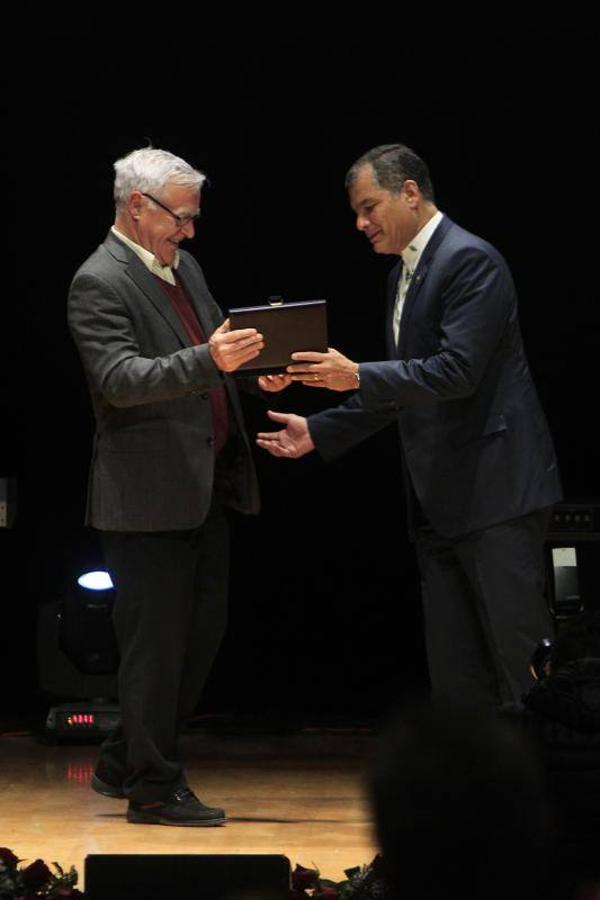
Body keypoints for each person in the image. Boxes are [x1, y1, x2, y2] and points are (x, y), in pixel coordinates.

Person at [257, 143, 562, 707]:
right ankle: (472, 791)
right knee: (457, 675)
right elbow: (406, 390)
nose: (360, 223)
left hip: (495, 496)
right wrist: (320, 429)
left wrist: (355, 375)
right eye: (356, 211)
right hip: (440, 504)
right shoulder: (404, 273)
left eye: (370, 207)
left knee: (520, 664)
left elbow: (457, 373)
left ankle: (544, 790)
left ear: (411, 193)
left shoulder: (469, 260)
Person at [68, 147, 289, 826]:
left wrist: (257, 373)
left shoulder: (182, 267)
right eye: (181, 218)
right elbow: (119, 379)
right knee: (155, 652)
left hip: (205, 490)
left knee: (199, 640)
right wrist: (208, 359)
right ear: (137, 206)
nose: (190, 232)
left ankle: (118, 758)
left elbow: (218, 355)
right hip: (146, 500)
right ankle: (153, 788)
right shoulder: (98, 281)